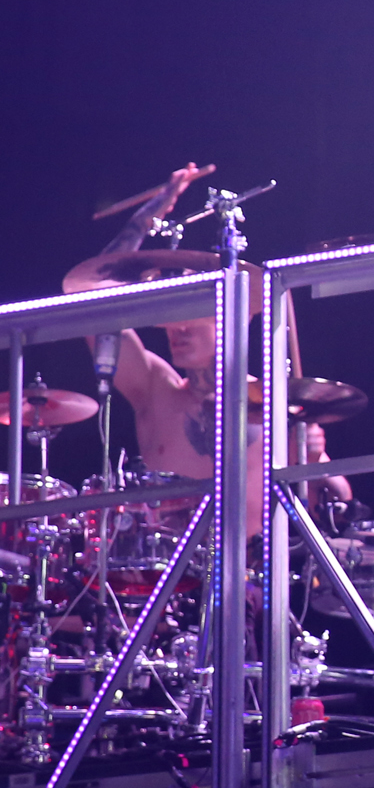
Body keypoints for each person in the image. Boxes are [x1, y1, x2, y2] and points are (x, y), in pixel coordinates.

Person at [87, 164, 350, 530]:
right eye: (173, 318)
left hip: (252, 563)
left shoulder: (274, 401)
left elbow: (340, 501)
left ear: (229, 318)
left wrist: (315, 458)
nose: (178, 328)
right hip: (169, 562)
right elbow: (92, 300)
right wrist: (144, 221)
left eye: (192, 317)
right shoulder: (154, 388)